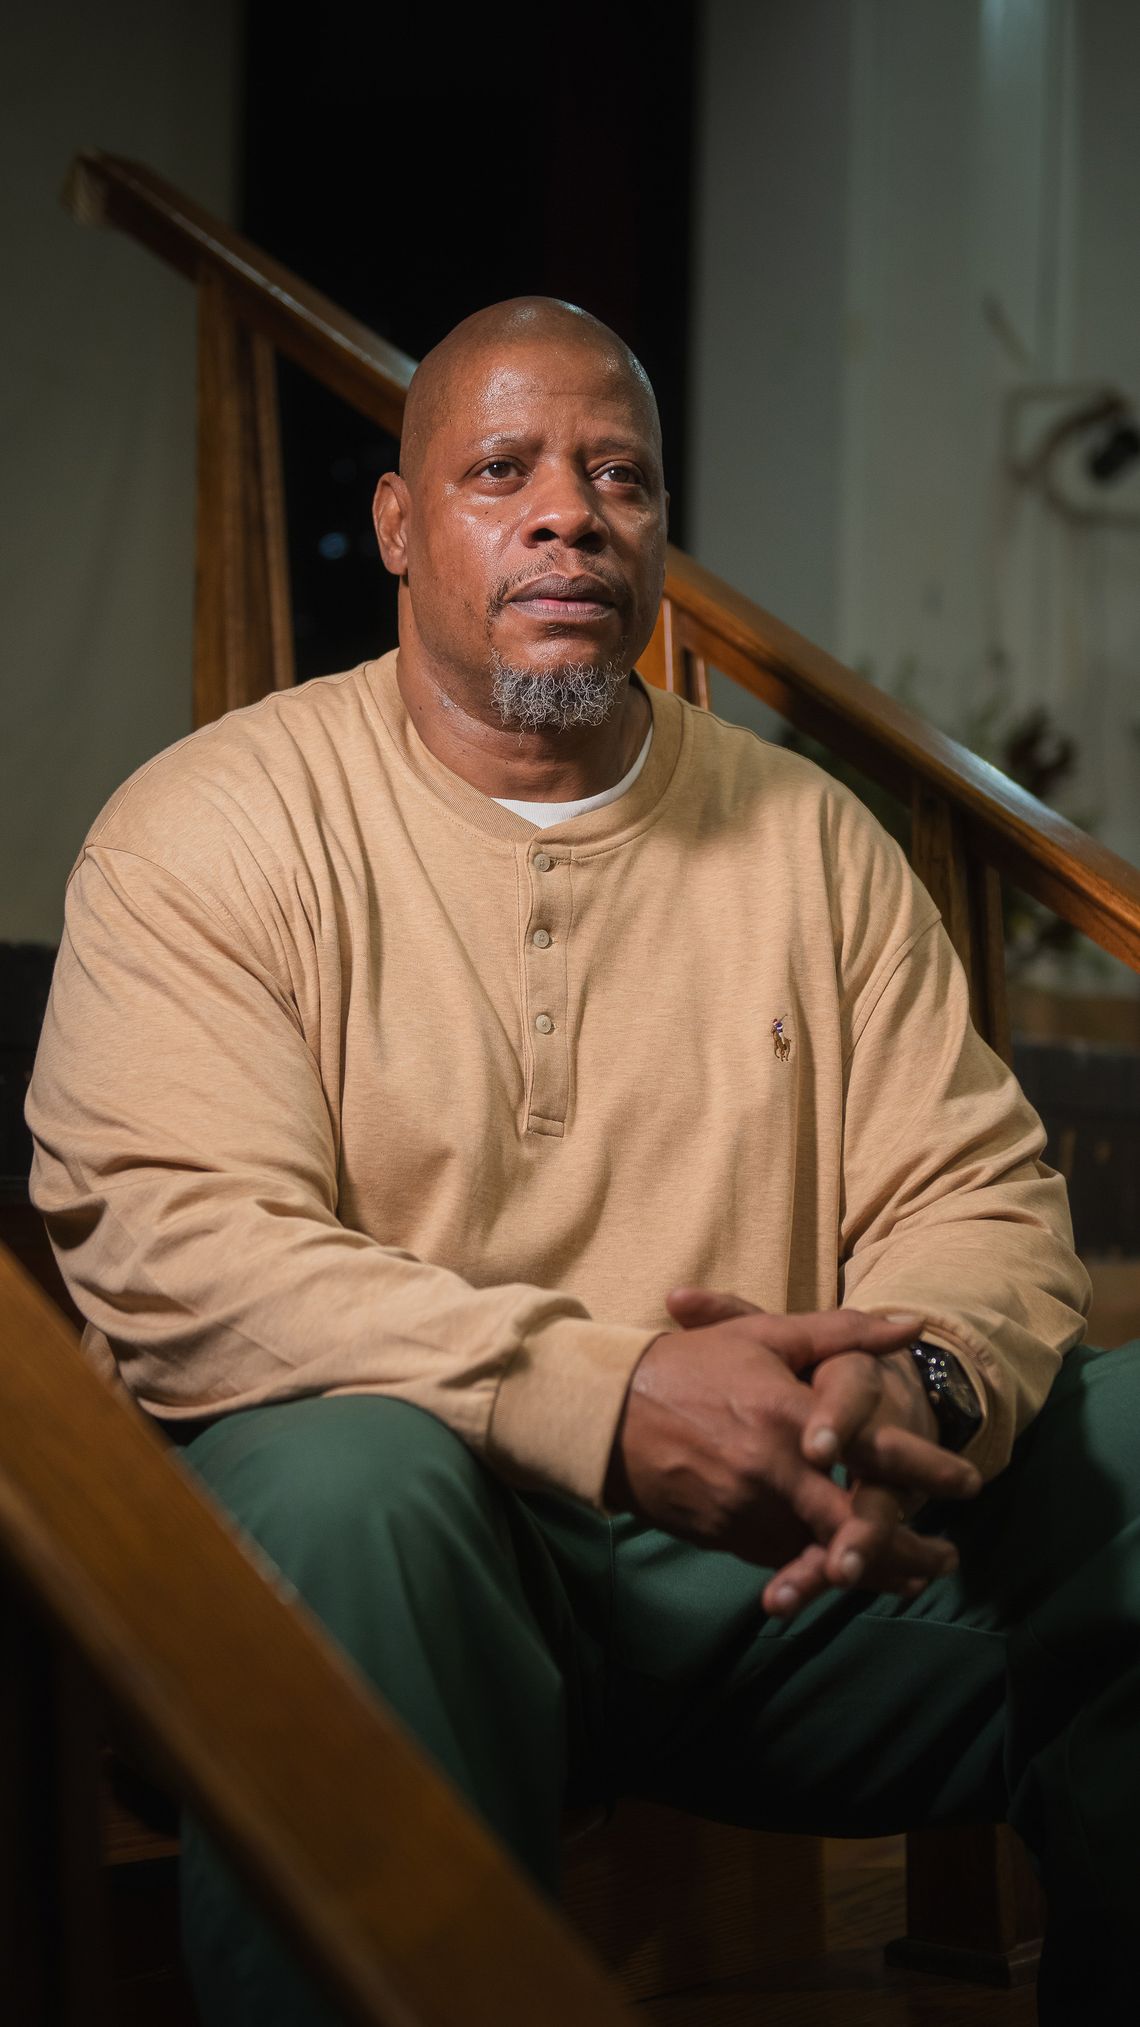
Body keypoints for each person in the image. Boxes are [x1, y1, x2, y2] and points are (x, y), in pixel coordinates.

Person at [27, 298, 1136, 2025]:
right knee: (342, 1483)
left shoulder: (809, 843)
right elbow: (185, 1254)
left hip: (785, 1567)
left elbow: (976, 1196)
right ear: (400, 528)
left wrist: (916, 1379)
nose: (572, 511)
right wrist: (613, 1402)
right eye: (503, 470)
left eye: (620, 475)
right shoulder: (210, 828)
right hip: (411, 1556)